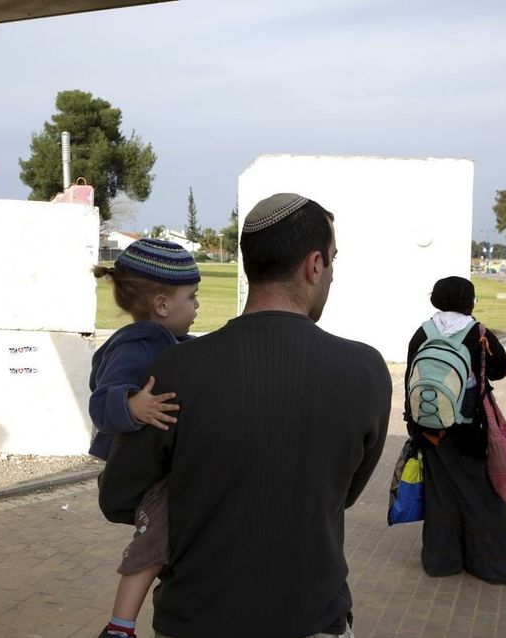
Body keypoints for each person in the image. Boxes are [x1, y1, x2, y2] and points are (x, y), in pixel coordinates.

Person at [99, 193, 392, 637]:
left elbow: (118, 497)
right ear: (315, 265)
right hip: (311, 616)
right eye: (332, 260)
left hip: (194, 619)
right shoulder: (366, 371)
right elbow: (343, 494)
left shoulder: (177, 369)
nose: (331, 272)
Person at [88, 238, 202, 638]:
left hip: (160, 466)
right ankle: (120, 626)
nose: (198, 306)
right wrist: (133, 406)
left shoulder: (167, 341)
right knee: (156, 538)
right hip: (142, 473)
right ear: (162, 305)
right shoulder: (136, 345)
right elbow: (102, 400)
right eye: (193, 297)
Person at [404, 275, 506, 583]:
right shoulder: (478, 333)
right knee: (481, 494)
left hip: (429, 428)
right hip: (468, 428)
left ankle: (441, 560)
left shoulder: (422, 333)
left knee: (441, 494)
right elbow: (501, 369)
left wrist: (412, 423)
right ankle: (497, 563)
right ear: (469, 300)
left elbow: (412, 376)